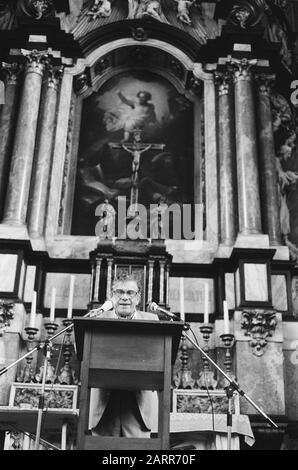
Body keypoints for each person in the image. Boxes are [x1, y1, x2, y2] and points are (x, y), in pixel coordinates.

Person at [88, 274, 158, 437]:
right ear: (111, 296)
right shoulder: (97, 318)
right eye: (119, 292)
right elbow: (82, 352)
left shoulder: (152, 320)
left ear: (138, 297)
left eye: (130, 293)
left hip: (138, 402)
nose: (125, 297)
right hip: (104, 401)